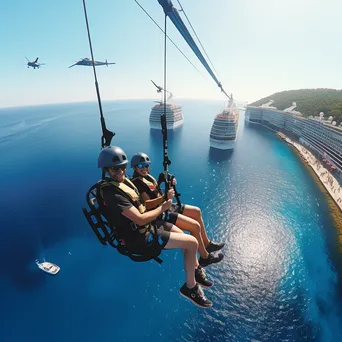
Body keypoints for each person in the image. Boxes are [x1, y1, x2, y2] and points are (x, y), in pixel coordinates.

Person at [97, 146, 213, 308]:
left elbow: (143, 202)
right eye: (115, 169)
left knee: (184, 236)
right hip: (139, 238)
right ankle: (190, 288)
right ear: (107, 170)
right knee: (192, 243)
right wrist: (163, 207)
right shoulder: (113, 194)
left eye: (122, 167)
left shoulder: (122, 183)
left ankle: (195, 269)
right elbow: (140, 219)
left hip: (147, 227)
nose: (121, 172)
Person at [130, 152, 225, 267]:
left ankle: (207, 244)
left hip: (166, 205)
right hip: (160, 212)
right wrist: (165, 197)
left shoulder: (147, 178)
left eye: (146, 165)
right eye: (140, 166)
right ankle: (204, 257)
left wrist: (169, 184)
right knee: (195, 226)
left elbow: (156, 193)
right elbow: (148, 205)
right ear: (135, 167)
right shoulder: (137, 182)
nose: (144, 168)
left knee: (196, 211)